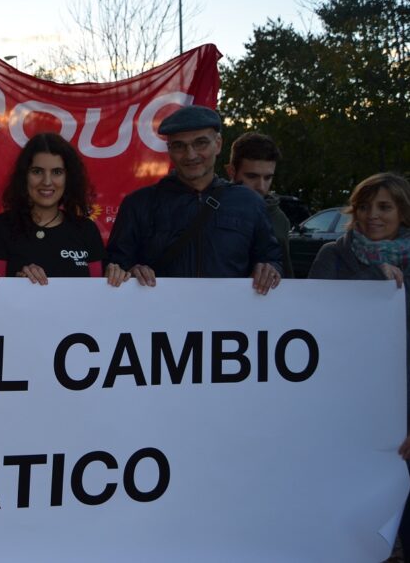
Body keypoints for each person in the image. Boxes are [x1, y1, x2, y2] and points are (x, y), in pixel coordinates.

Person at [307, 172, 410, 557]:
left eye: (384, 207)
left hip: (401, 419)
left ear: (402, 211)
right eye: (364, 206)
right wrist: (371, 281)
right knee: (347, 522)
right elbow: (316, 324)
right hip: (346, 415)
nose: (372, 215)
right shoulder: (333, 255)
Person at [106, 105, 283, 294]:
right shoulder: (139, 204)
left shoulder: (250, 203)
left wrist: (271, 269)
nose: (190, 155)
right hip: (160, 320)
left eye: (200, 143)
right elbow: (115, 266)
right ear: (169, 150)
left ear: (218, 144)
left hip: (230, 320)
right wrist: (130, 273)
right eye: (179, 146)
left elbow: (272, 258)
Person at [0, 132, 128, 286]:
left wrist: (116, 276)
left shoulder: (86, 230)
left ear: (68, 178)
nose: (47, 181)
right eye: (37, 171)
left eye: (57, 172)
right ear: (24, 176)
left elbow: (96, 296)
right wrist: (18, 286)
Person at [227, 132, 294, 277]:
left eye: (268, 177)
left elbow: (286, 272)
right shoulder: (214, 206)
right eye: (252, 176)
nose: (261, 186)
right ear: (231, 171)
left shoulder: (278, 218)